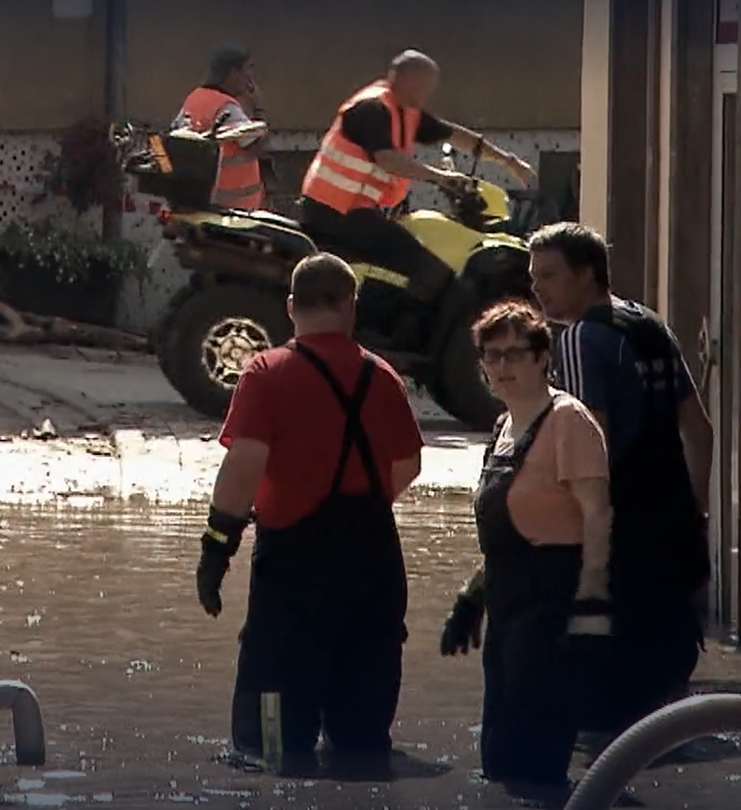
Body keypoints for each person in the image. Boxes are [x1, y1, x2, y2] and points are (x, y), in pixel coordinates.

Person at [196, 252, 424, 772]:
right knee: (362, 741)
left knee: (271, 745)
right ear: (350, 306)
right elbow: (408, 465)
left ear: (291, 306)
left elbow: (243, 468)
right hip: (373, 571)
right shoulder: (383, 376)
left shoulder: (267, 372)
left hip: (294, 574)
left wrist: (216, 550)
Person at [528, 221, 714, 738]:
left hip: (622, 536)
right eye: (533, 277)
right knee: (663, 707)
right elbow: (700, 431)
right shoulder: (652, 326)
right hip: (673, 530)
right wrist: (696, 514)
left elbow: (591, 449)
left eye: (549, 275)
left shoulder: (580, 339)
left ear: (587, 274)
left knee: (604, 720)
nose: (538, 289)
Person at [438, 300, 612, 796]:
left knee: (534, 754)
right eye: (492, 356)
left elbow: (599, 516)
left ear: (542, 357)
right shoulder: (503, 427)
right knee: (499, 747)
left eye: (514, 354)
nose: (502, 367)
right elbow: (504, 532)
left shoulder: (568, 421)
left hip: (553, 600)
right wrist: (473, 597)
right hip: (507, 599)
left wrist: (591, 604)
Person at [298, 50, 536, 310]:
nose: (427, 94)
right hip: (335, 213)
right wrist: (441, 177)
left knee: (409, 262)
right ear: (408, 80)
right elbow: (388, 159)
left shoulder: (405, 113)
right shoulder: (371, 108)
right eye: (426, 86)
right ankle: (408, 326)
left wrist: (508, 161)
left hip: (355, 211)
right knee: (429, 270)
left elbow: (455, 136)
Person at [171, 43, 266, 211]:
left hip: (200, 202)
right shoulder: (227, 107)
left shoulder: (195, 98)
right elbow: (256, 147)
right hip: (233, 210)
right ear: (233, 72)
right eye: (247, 69)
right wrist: (256, 107)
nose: (250, 77)